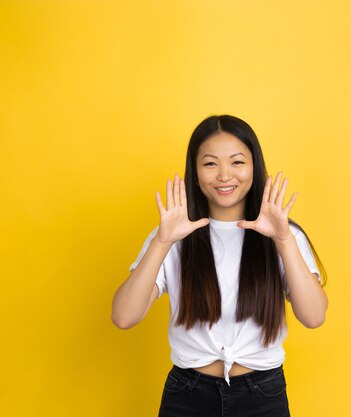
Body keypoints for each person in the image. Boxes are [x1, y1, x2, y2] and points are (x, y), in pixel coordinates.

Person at [111, 114, 328, 417]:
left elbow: (314, 316)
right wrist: (161, 243)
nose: (225, 175)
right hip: (187, 396)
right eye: (210, 163)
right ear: (195, 171)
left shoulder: (284, 234)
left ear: (254, 166)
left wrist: (284, 240)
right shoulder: (173, 234)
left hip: (262, 396)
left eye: (237, 162)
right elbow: (123, 316)